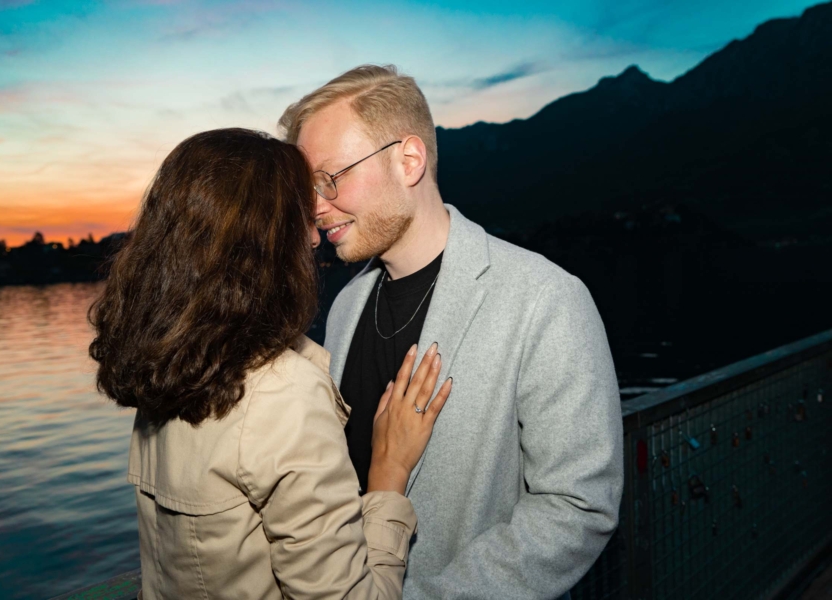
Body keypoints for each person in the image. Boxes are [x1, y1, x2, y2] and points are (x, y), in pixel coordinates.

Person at [279, 65, 624, 600]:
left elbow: (579, 506)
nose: (317, 206)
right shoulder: (345, 306)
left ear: (408, 160)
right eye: (310, 188)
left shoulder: (545, 298)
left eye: (332, 177)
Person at [88, 128, 452, 599]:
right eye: (302, 214)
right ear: (270, 239)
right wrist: (388, 476)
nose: (316, 236)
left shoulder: (169, 368)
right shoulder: (283, 393)